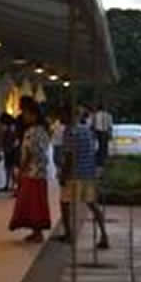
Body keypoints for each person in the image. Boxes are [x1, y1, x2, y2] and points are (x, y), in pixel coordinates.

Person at [55, 106, 110, 248]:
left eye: (61, 114)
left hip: (74, 174)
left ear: (69, 115)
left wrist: (63, 175)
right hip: (88, 172)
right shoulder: (86, 130)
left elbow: (69, 156)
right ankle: (104, 235)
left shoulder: (69, 132)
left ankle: (69, 234)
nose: (59, 117)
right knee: (92, 204)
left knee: (65, 203)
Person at [9, 98, 52, 243]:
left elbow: (29, 154)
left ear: (33, 114)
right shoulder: (43, 130)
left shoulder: (31, 132)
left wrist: (21, 170)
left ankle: (37, 232)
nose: (24, 116)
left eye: (26, 113)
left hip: (32, 172)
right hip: (41, 172)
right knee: (37, 203)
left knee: (31, 203)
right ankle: (36, 231)